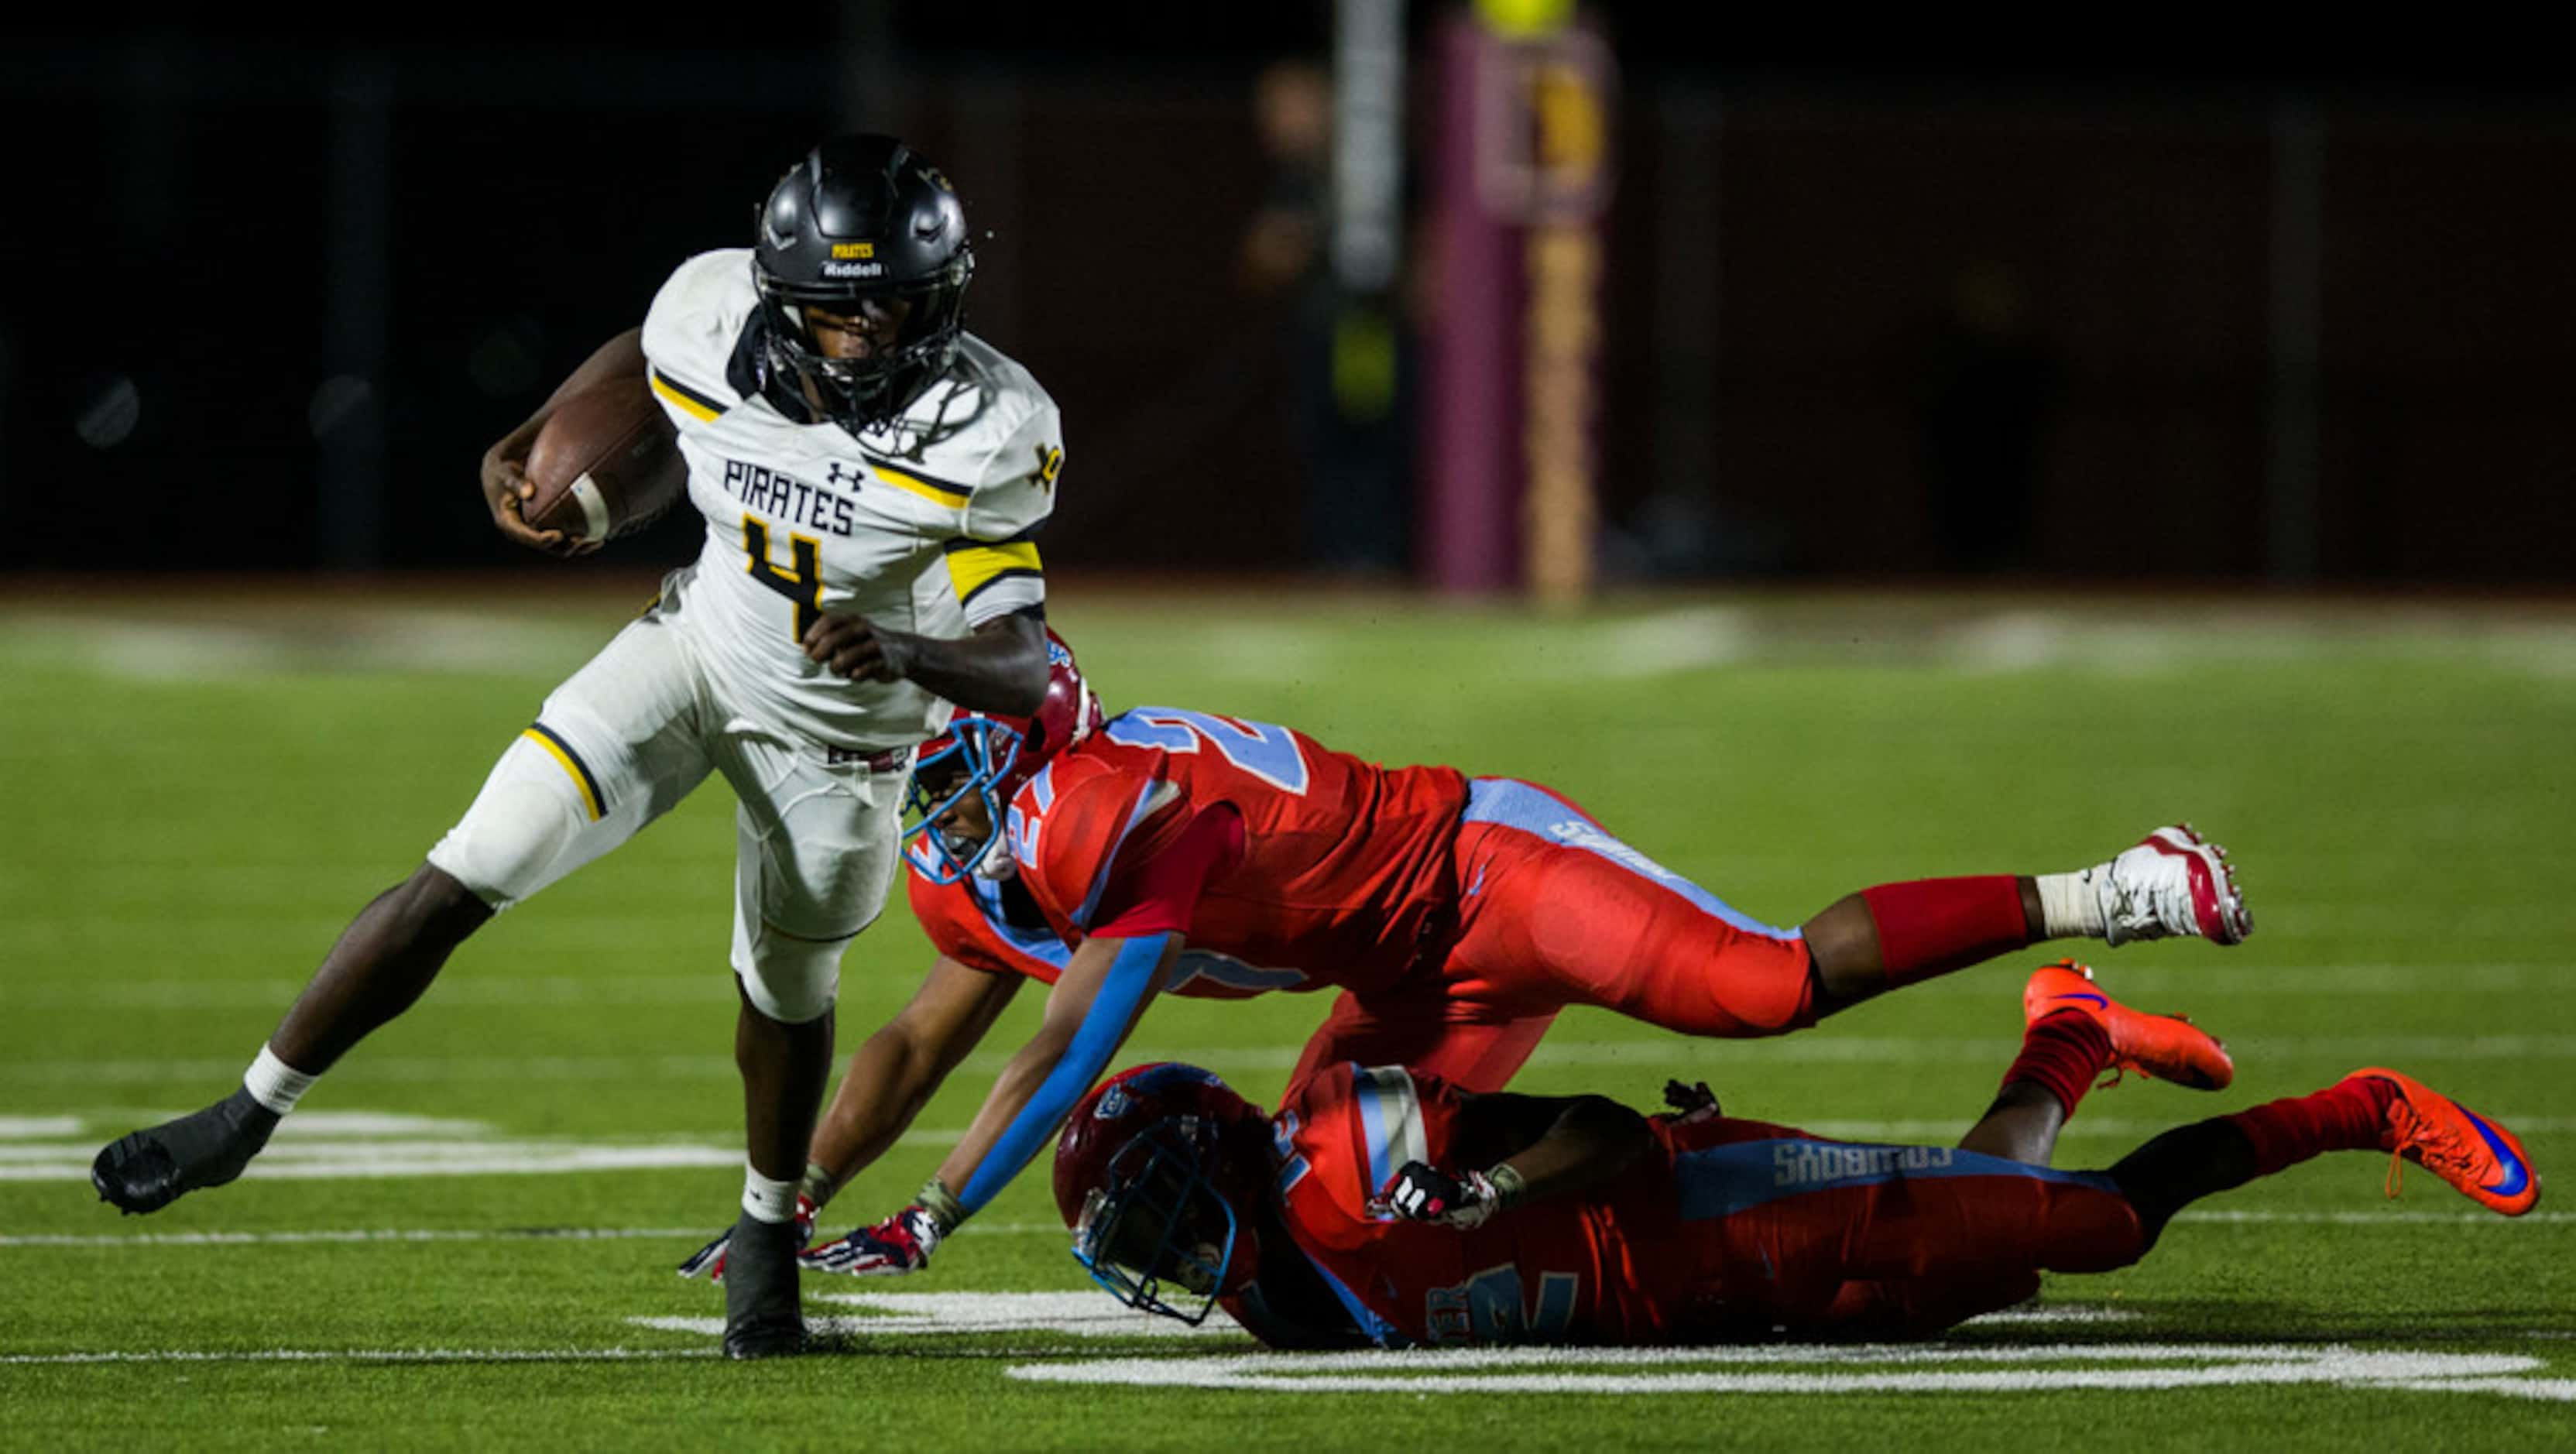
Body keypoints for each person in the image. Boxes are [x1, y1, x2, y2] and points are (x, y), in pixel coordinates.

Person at [86, 134, 1067, 1362]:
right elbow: (641, 361)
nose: (876, 333)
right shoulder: (710, 310)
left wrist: (908, 654)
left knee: (785, 994)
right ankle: (244, 1113)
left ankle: (765, 1244)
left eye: (901, 306)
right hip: (696, 652)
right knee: (470, 863)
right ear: (783, 297)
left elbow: (1024, 665)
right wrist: (543, 431)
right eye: (846, 311)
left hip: (845, 736)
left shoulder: (984, 428)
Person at [681, 634, 2252, 1284]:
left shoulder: (1108, 811)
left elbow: (1069, 1047)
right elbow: (908, 1043)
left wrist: (931, 1216)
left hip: (1484, 877)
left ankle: (2109, 893)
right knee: (1342, 1213)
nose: (920, 809)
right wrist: (785, 1204)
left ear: (1009, 752)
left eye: (940, 772)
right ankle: (1634, 1240)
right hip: (1402, 983)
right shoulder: (991, 869)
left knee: (1766, 986)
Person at [1052, 963, 2540, 1346]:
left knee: (2091, 1228)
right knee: (1998, 1258)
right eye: (1144, 1247)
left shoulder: (1340, 1151)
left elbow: (1606, 1129)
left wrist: (1490, 1186)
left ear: (1223, 1151)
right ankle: (2069, 1030)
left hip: (1720, 1208)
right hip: (1696, 1305)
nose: (1174, 1257)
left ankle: (2363, 1106)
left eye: (1165, 1216)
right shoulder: (1271, 1303)